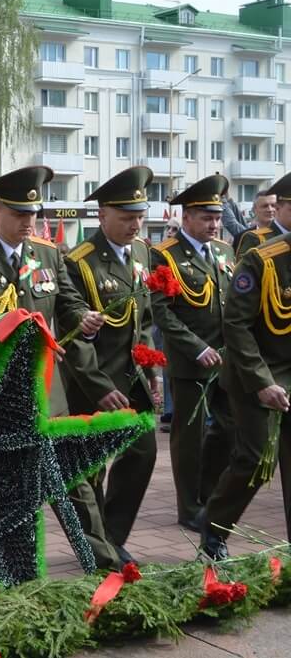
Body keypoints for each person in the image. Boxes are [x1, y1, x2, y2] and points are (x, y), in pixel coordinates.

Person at [61, 167, 159, 570]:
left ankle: (112, 537)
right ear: (102, 216)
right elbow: (75, 335)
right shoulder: (79, 262)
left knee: (143, 452)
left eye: (139, 216)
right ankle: (99, 547)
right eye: (126, 217)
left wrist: (151, 368)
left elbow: (145, 320)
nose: (134, 225)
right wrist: (99, 386)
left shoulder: (142, 255)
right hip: (91, 383)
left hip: (132, 380)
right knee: (90, 470)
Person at [201, 174, 291, 559]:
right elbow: (236, 325)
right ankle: (214, 531)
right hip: (256, 375)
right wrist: (262, 383)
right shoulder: (261, 260)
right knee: (254, 459)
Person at [0, 166, 103, 377]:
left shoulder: (48, 253)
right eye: (19, 214)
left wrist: (83, 316)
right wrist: (17, 346)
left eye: (33, 213)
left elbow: (68, 301)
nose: (28, 222)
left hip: (38, 376)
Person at [150, 174, 236, 533]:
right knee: (189, 438)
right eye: (206, 218)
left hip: (226, 360)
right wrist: (196, 348)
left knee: (229, 430)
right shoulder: (164, 254)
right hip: (190, 362)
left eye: (217, 217)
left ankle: (209, 495)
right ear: (186, 218)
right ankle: (190, 508)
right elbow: (162, 312)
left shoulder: (225, 251)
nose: (214, 224)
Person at [235, 189, 286, 259]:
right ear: (254, 210)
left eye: (273, 205)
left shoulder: (285, 235)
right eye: (265, 206)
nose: (270, 209)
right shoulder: (242, 237)